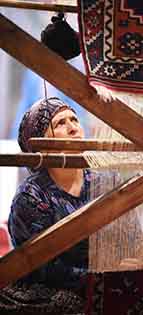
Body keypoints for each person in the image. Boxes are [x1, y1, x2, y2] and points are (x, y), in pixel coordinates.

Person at [2, 97, 90, 314]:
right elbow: (43, 269)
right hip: (48, 291)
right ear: (41, 140)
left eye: (74, 120)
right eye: (60, 123)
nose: (73, 129)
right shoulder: (30, 196)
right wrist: (100, 276)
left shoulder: (104, 182)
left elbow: (130, 237)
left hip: (101, 281)